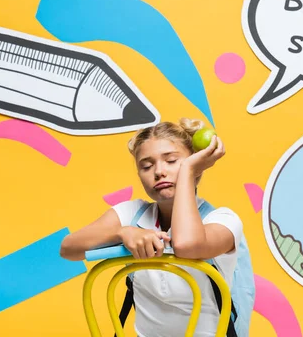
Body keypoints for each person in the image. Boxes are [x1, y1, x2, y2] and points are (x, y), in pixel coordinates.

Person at [60, 118, 244, 337]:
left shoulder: (223, 219)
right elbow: (68, 249)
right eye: (146, 166)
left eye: (173, 161)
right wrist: (122, 232)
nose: (159, 172)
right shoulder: (131, 215)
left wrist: (187, 171)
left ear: (197, 166)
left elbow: (187, 245)